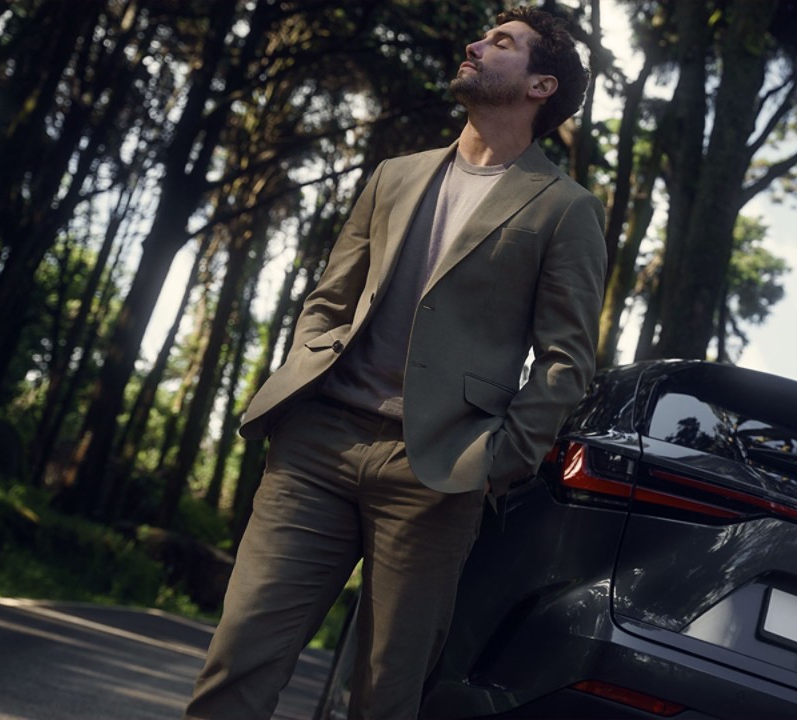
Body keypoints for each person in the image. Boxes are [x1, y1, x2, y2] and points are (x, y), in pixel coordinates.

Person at [182, 7, 606, 719]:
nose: (474, 46)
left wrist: (497, 459)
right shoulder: (394, 175)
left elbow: (566, 361)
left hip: (436, 473)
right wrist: (305, 380)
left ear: (540, 85)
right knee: (239, 662)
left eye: (501, 43)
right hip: (318, 446)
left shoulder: (565, 209)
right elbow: (330, 300)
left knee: (383, 696)